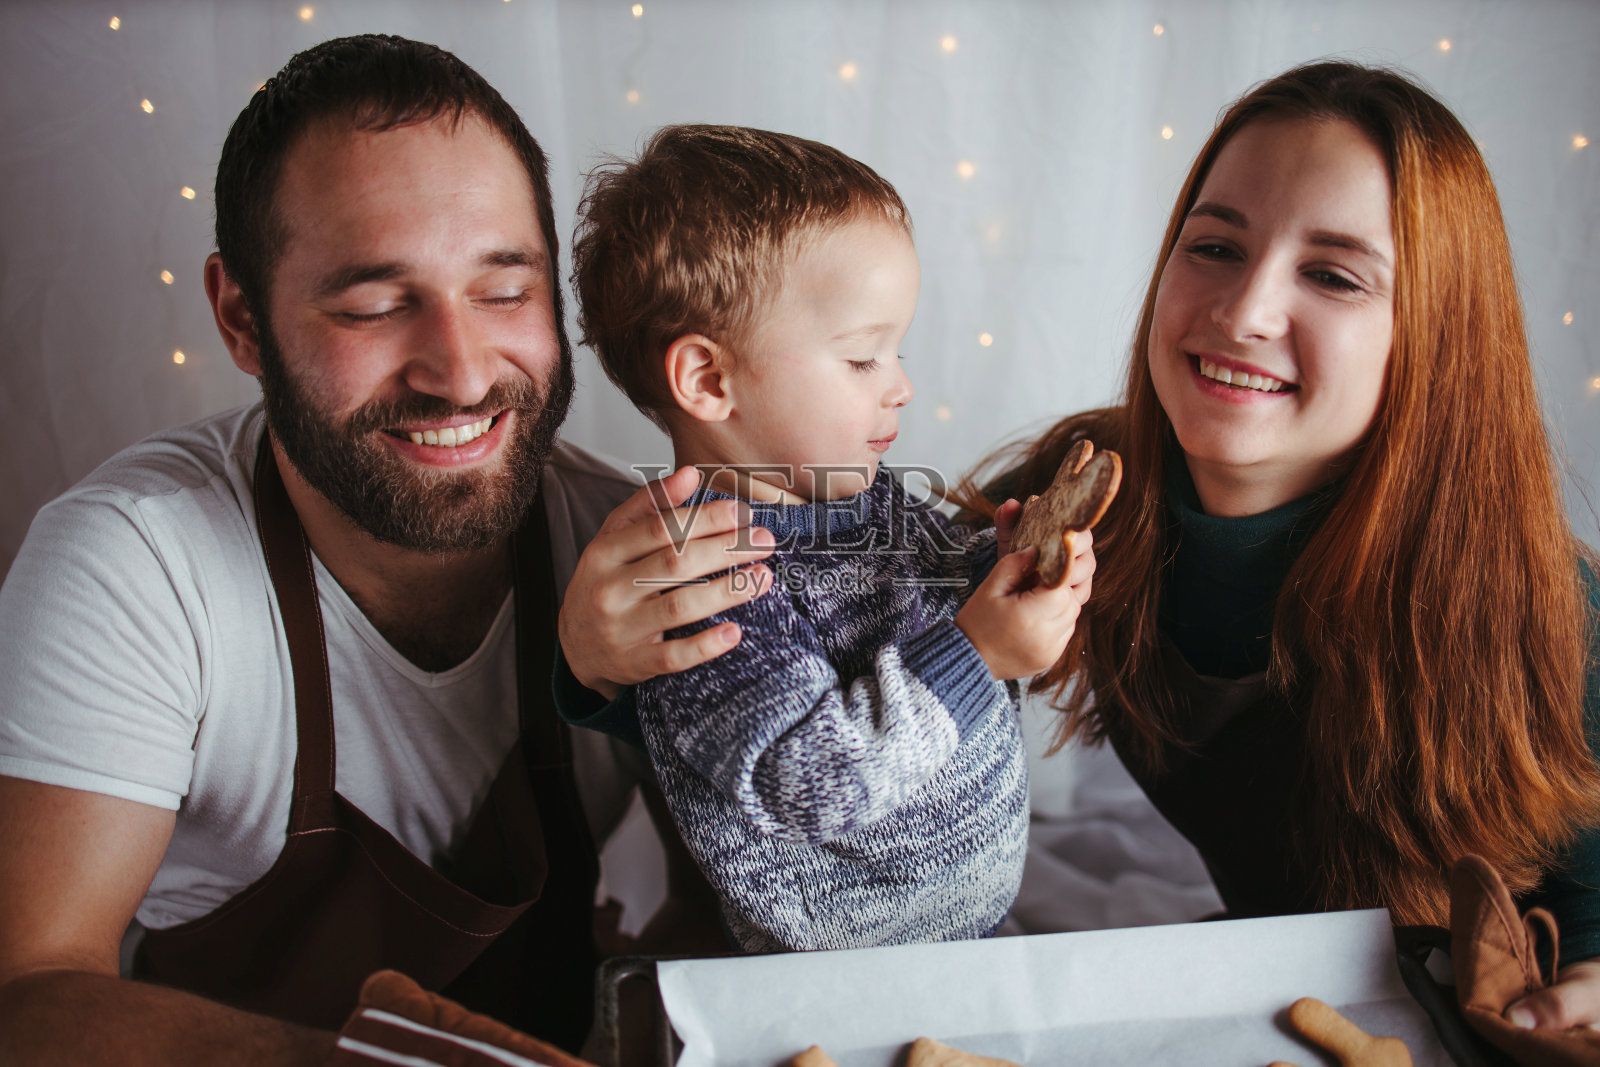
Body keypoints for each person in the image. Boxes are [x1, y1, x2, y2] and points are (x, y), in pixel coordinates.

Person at [558, 62, 1600, 1029]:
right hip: (1232, 985)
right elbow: (786, 711)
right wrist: (600, 664)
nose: (1245, 310)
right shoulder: (1094, 481)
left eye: (1332, 275)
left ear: (1434, 330)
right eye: (1216, 246)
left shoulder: (1534, 598)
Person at [0, 35, 748, 1065]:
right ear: (241, 318)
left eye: (504, 291)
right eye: (374, 304)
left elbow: (729, 925)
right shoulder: (135, 562)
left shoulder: (641, 546)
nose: (460, 371)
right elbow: (29, 994)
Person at [566, 124, 1092, 952]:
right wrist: (980, 656)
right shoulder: (704, 580)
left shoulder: (865, 495)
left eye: (896, 350)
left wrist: (1000, 565)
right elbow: (811, 782)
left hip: (961, 933)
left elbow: (928, 600)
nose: (902, 386)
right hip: (838, 968)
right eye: (862, 359)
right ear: (709, 379)